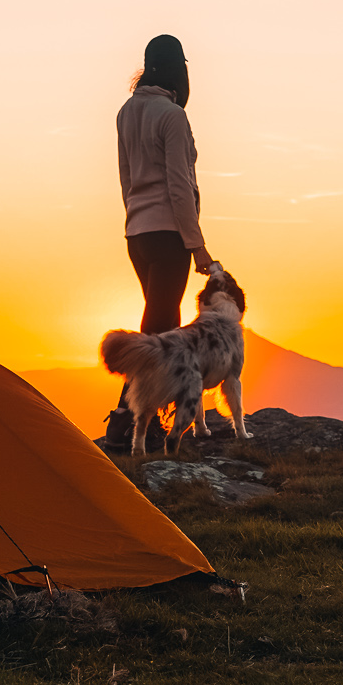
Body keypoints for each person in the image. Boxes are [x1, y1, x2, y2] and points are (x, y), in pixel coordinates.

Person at [103, 33, 214, 451]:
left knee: (159, 322)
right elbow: (180, 187)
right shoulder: (171, 115)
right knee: (160, 328)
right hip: (169, 233)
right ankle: (127, 419)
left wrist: (134, 219)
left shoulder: (126, 112)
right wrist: (196, 243)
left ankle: (139, 417)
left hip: (138, 233)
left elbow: (126, 177)